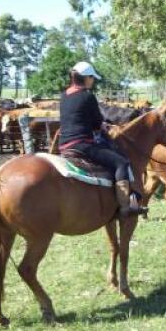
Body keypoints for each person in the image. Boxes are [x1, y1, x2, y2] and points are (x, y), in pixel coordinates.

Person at [58, 61, 147, 217]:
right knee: (121, 162)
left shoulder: (64, 96)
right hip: (83, 145)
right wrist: (103, 127)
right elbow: (96, 124)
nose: (93, 81)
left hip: (64, 145)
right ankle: (125, 207)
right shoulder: (87, 96)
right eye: (92, 78)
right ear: (86, 78)